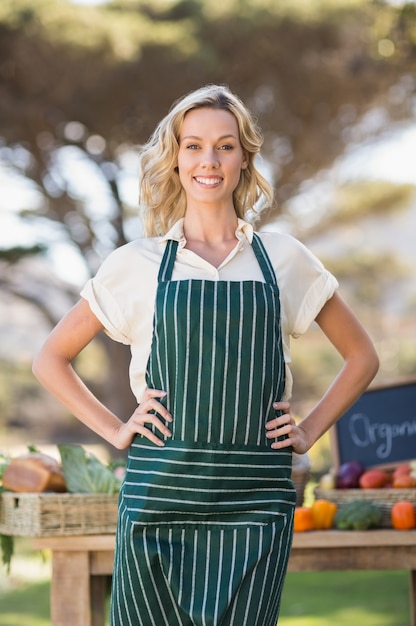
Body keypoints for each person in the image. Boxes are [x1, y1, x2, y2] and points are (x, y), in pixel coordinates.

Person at [32, 84, 379, 625]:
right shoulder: (136, 264)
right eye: (192, 146)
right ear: (174, 159)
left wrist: (308, 431)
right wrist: (118, 430)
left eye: (224, 145)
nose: (208, 161)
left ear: (245, 158)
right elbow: (50, 359)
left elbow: (362, 357)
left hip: (255, 504)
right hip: (157, 498)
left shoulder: (285, 259)